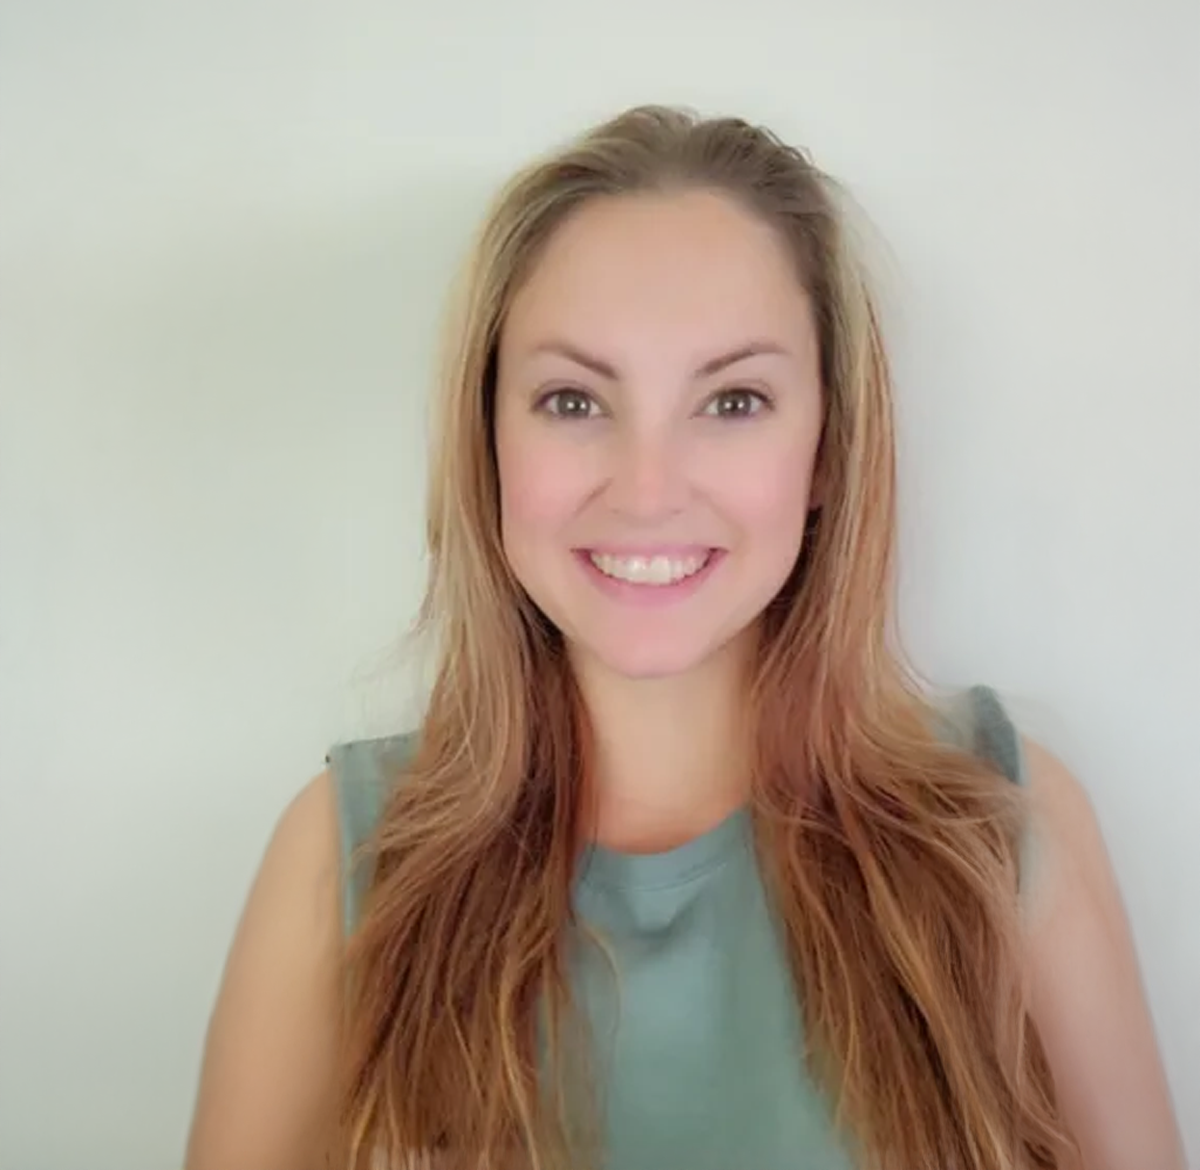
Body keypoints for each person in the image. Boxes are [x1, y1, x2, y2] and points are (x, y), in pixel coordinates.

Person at [185, 106, 1184, 1170]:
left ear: (831, 450)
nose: (648, 489)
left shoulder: (1001, 829)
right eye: (572, 399)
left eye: (734, 399)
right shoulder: (346, 859)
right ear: (486, 440)